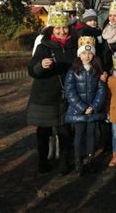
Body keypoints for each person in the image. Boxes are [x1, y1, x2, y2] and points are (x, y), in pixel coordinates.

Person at [27, 11, 76, 175]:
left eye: (65, 28)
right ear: (51, 29)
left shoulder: (74, 46)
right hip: (45, 95)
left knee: (65, 133)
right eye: (58, 28)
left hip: (65, 96)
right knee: (44, 132)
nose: (62, 31)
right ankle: (42, 163)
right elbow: (32, 70)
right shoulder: (43, 47)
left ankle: (63, 164)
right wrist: (41, 65)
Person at [64, 36, 107, 175]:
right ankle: (78, 161)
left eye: (89, 53)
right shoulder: (73, 72)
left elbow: (101, 90)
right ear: (79, 54)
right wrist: (83, 108)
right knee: (79, 136)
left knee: (91, 136)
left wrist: (93, 107)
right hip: (78, 112)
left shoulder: (97, 71)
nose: (86, 56)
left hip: (93, 111)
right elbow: (70, 92)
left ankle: (90, 159)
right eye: (83, 53)